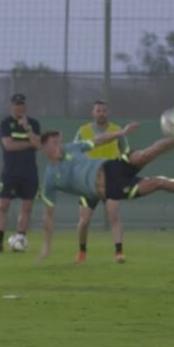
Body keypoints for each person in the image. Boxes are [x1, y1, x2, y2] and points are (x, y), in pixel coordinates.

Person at [37, 122, 174, 262]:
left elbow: (98, 139)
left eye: (59, 141)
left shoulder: (72, 147)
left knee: (146, 153)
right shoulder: (50, 177)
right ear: (45, 148)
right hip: (112, 189)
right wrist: (46, 244)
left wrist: (121, 132)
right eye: (54, 143)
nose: (59, 145)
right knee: (158, 182)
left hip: (112, 167)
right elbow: (48, 215)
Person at [74, 101, 130, 263]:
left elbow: (126, 151)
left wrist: (122, 169)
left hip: (111, 179)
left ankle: (119, 251)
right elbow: (75, 150)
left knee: (114, 216)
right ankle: (82, 251)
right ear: (93, 113)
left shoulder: (117, 130)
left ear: (108, 113)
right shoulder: (83, 131)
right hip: (88, 180)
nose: (101, 113)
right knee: (84, 221)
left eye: (104, 110)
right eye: (98, 110)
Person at [0, 93, 42, 252]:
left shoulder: (33, 123)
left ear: (25, 106)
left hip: (29, 172)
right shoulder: (6, 123)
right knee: (3, 206)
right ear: (12, 106)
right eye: (16, 104)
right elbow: (8, 145)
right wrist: (29, 143)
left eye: (22, 104)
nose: (19, 107)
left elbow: (38, 144)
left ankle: (20, 240)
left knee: (26, 207)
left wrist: (27, 129)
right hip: (11, 172)